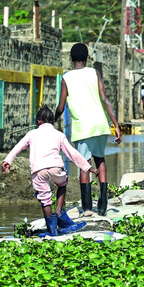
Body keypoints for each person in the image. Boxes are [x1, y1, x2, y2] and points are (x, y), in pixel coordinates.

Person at [2, 106, 93, 236]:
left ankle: (52, 230)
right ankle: (59, 212)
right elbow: (72, 153)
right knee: (63, 183)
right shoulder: (59, 135)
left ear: (38, 121)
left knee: (45, 199)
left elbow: (18, 147)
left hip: (38, 170)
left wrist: (7, 161)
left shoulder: (31, 134)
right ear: (53, 122)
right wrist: (87, 167)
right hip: (56, 167)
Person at [55, 43, 122, 217]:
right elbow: (105, 98)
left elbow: (61, 107)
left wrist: (51, 121)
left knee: (84, 164)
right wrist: (116, 125)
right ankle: (103, 204)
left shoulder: (66, 78)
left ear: (71, 59)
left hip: (83, 127)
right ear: (87, 58)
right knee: (100, 159)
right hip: (100, 123)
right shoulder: (95, 73)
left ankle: (87, 208)